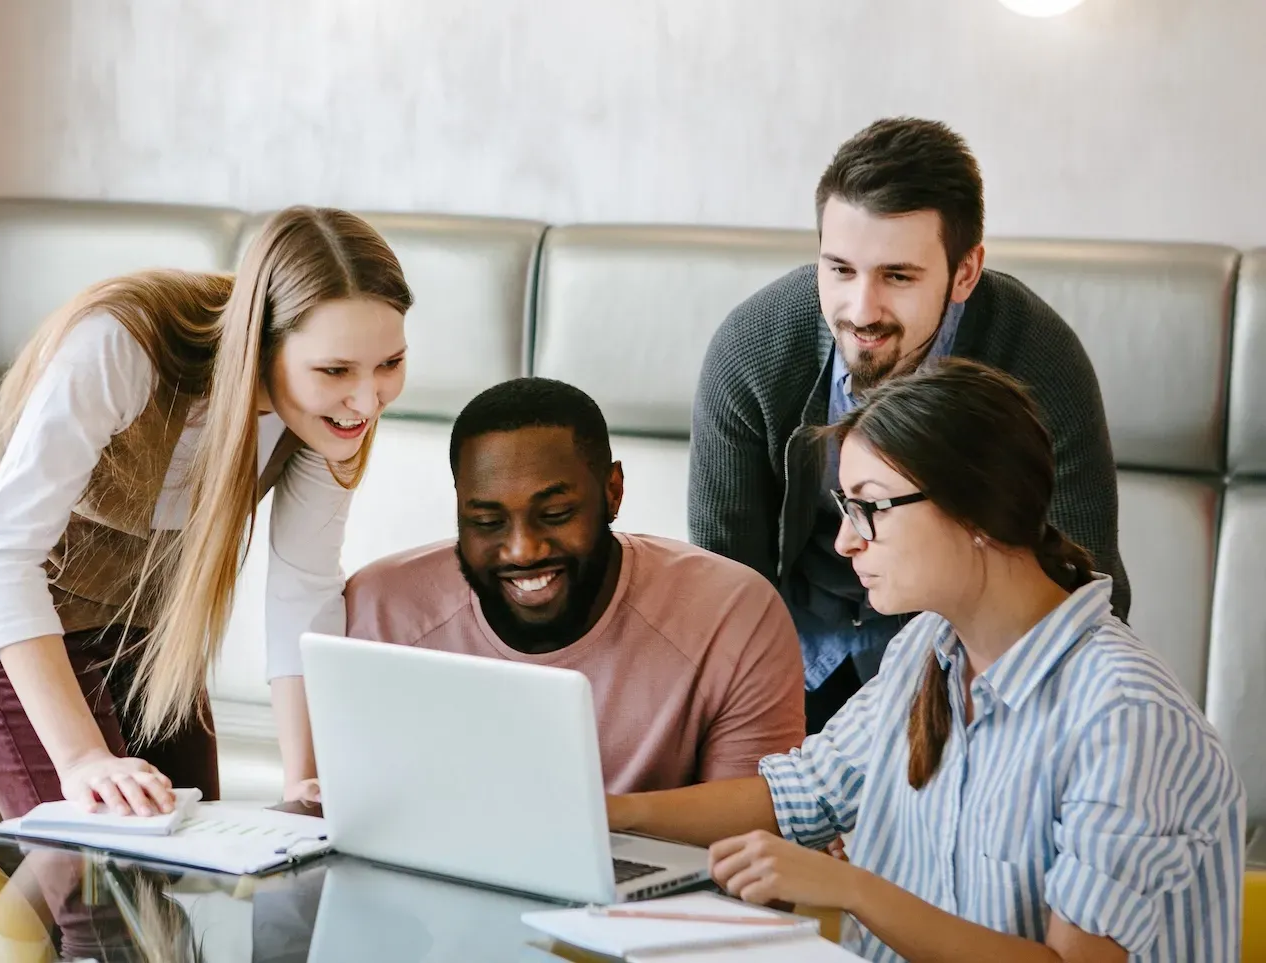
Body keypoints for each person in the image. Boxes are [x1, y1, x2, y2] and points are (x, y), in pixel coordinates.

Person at [610, 360, 1244, 962]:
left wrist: (855, 889)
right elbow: (804, 795)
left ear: (977, 510)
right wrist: (611, 813)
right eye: (843, 508)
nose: (845, 540)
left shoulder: (1124, 714)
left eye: (871, 507)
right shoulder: (925, 647)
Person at [0, 206, 413, 819]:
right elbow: (5, 556)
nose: (367, 399)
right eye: (334, 370)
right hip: (4, 603)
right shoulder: (124, 343)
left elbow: (303, 584)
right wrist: (82, 760)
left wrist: (305, 783)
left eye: (390, 364)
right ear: (259, 342)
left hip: (144, 621)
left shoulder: (338, 415)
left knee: (186, 882)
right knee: (94, 879)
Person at [689, 117, 1129, 733]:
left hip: (967, 683)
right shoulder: (752, 350)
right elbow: (723, 587)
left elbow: (1083, 585)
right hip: (791, 672)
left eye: (897, 276)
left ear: (966, 271)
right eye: (840, 269)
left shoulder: (1037, 357)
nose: (861, 309)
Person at [342, 377, 806, 793]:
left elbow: (748, 840)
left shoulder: (733, 615)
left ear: (612, 492)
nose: (522, 550)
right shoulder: (380, 612)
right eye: (487, 521)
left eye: (556, 515)